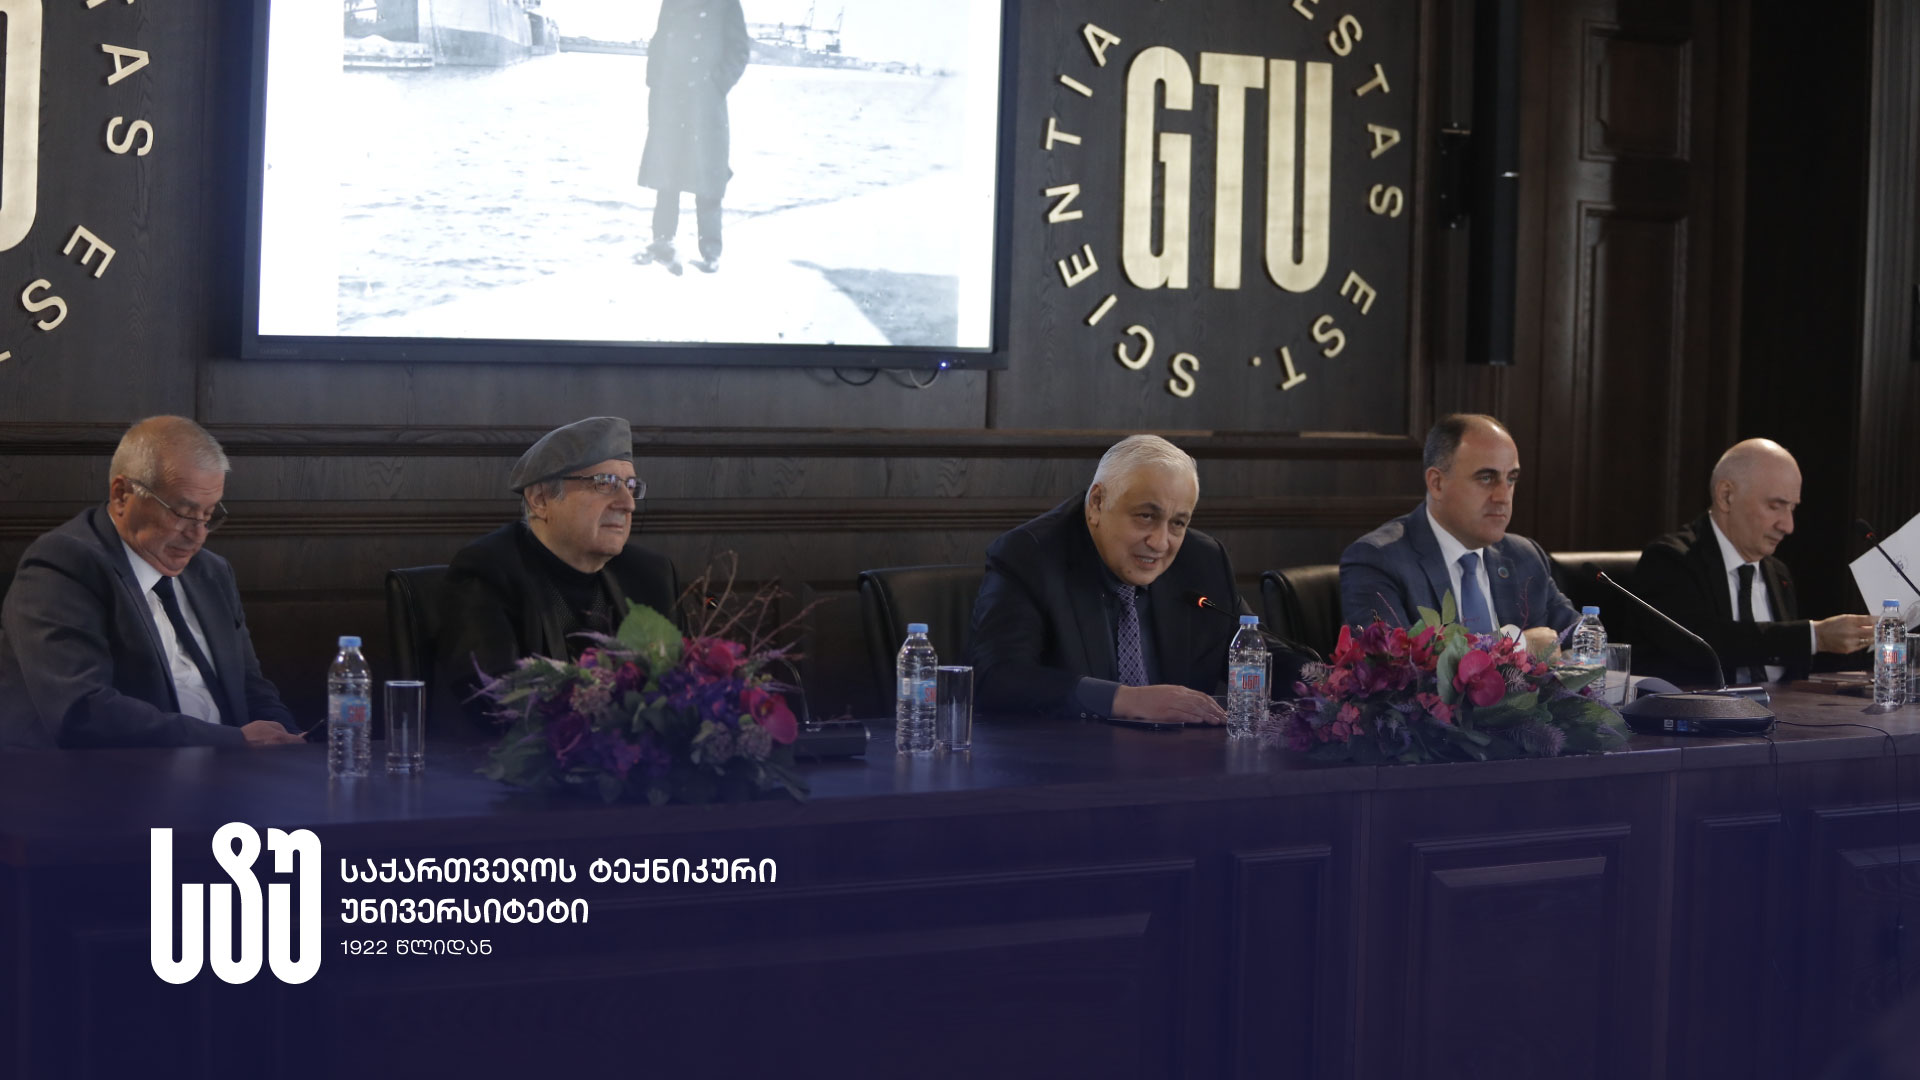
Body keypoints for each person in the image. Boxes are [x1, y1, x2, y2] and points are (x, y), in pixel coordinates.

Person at [0, 416, 303, 749]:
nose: (198, 534)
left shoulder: (211, 572)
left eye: (208, 514)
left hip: (232, 766)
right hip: (114, 773)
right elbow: (84, 711)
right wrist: (234, 741)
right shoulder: (63, 565)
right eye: (182, 513)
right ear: (122, 495)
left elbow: (250, 687)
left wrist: (289, 743)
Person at [967, 435, 1309, 723]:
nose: (1160, 543)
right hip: (1066, 766)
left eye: (1178, 523)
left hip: (1182, 766)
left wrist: (1326, 683)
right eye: (1146, 516)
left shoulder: (1202, 560)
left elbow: (1255, 650)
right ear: (1097, 503)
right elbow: (996, 678)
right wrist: (1124, 699)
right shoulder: (1031, 555)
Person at [434, 417, 678, 730]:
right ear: (540, 500)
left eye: (631, 486)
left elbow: (679, 685)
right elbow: (497, 701)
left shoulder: (651, 575)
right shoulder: (485, 571)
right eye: (605, 483)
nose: (628, 504)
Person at [1633, 438, 1873, 686]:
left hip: (1788, 709)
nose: (1788, 526)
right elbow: (1704, 643)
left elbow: (1791, 664)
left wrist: (1857, 642)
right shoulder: (1670, 560)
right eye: (1775, 506)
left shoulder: (1778, 572)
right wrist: (1815, 637)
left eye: (1792, 509)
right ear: (1726, 496)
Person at [1341, 414, 1579, 646]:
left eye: (1511, 479)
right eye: (1486, 478)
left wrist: (1591, 637)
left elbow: (1579, 637)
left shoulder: (1524, 556)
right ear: (1437, 483)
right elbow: (1394, 664)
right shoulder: (1378, 560)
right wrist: (1517, 645)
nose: (1503, 497)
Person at [636, 0, 751, 275]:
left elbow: (739, 50)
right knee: (667, 173)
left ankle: (711, 251)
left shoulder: (726, 3)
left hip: (704, 100)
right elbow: (660, 40)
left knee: (708, 175)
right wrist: (655, 82)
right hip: (670, 96)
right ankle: (663, 240)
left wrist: (717, 84)